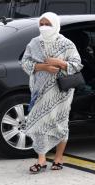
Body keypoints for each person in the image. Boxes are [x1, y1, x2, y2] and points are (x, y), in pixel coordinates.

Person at [21, 12, 83, 173]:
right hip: (39, 91)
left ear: (55, 25)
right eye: (41, 24)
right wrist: (43, 67)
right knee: (38, 123)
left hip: (60, 92)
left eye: (47, 24)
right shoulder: (34, 43)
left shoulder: (66, 44)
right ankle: (41, 160)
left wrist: (60, 63)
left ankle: (58, 158)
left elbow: (77, 65)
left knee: (59, 123)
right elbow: (25, 62)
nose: (44, 27)